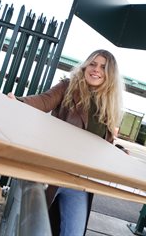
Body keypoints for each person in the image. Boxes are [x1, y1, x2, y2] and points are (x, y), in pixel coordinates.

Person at [7, 49, 124, 236]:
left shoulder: (108, 106)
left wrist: (118, 151)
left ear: (110, 74)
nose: (96, 70)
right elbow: (44, 100)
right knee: (32, 230)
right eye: (93, 64)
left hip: (80, 182)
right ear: (85, 65)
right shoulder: (68, 87)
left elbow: (101, 143)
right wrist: (19, 102)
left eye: (103, 67)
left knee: (74, 233)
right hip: (52, 172)